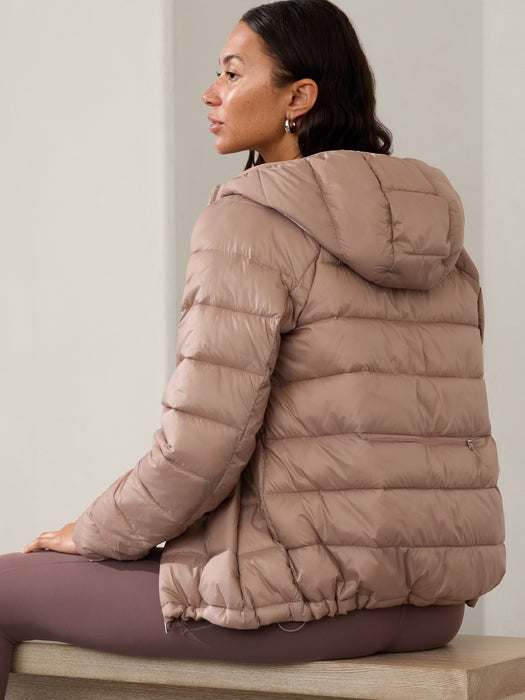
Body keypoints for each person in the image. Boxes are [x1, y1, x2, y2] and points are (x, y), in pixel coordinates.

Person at [0, 0, 505, 695]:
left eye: (233, 74)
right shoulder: (442, 242)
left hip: (292, 606)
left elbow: (199, 450)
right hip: (430, 607)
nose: (212, 93)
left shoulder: (248, 218)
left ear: (299, 97)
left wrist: (91, 532)